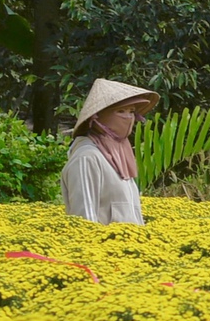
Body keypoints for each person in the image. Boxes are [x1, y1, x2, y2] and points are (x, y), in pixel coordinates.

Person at [61, 77, 158, 225]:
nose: (128, 117)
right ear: (99, 116)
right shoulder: (86, 158)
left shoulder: (120, 154)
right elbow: (83, 221)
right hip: (103, 247)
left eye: (131, 111)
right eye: (120, 111)